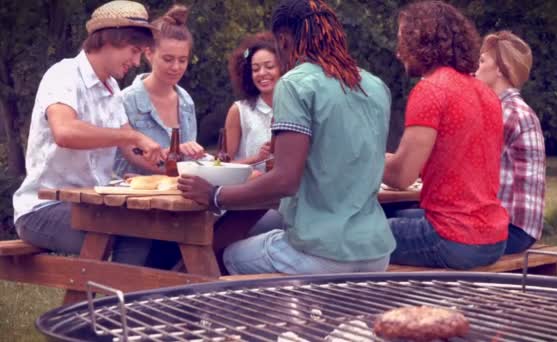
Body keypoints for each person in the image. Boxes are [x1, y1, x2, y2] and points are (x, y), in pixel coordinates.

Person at [178, 0, 395, 275]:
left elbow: (285, 180)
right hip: (376, 254)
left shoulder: (294, 83)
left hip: (321, 254)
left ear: (283, 40)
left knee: (224, 253)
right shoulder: (375, 86)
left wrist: (215, 195)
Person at [12, 1, 162, 265]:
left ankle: (118, 301)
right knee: (133, 233)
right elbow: (65, 131)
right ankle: (116, 304)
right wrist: (131, 137)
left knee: (157, 230)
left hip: (91, 206)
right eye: (134, 51)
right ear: (110, 40)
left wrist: (172, 164)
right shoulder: (63, 74)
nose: (137, 62)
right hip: (41, 209)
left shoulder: (112, 88)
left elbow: (132, 149)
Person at [383, 1, 508, 269]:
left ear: (423, 41)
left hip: (453, 240)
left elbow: (401, 176)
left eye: (403, 41)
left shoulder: (430, 90)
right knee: (398, 216)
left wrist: (358, 158)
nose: (398, 52)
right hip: (494, 237)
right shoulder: (485, 92)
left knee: (348, 237)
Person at [114, 4, 205, 177]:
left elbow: (188, 160)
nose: (176, 67)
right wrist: (176, 152)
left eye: (183, 60)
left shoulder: (186, 101)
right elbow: (133, 155)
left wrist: (194, 155)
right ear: (148, 53)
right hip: (132, 199)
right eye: (168, 59)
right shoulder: (126, 100)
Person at [475, 31, 546, 254]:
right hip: (516, 226)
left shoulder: (507, 112)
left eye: (482, 61)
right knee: (409, 217)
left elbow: (466, 166)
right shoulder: (507, 108)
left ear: (499, 70)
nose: (475, 68)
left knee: (400, 220)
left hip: (512, 228)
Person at [225, 32, 279, 170]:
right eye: (255, 69)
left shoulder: (296, 109)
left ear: (283, 68)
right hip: (250, 189)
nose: (261, 73)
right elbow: (221, 165)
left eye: (269, 66)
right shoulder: (239, 111)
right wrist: (257, 158)